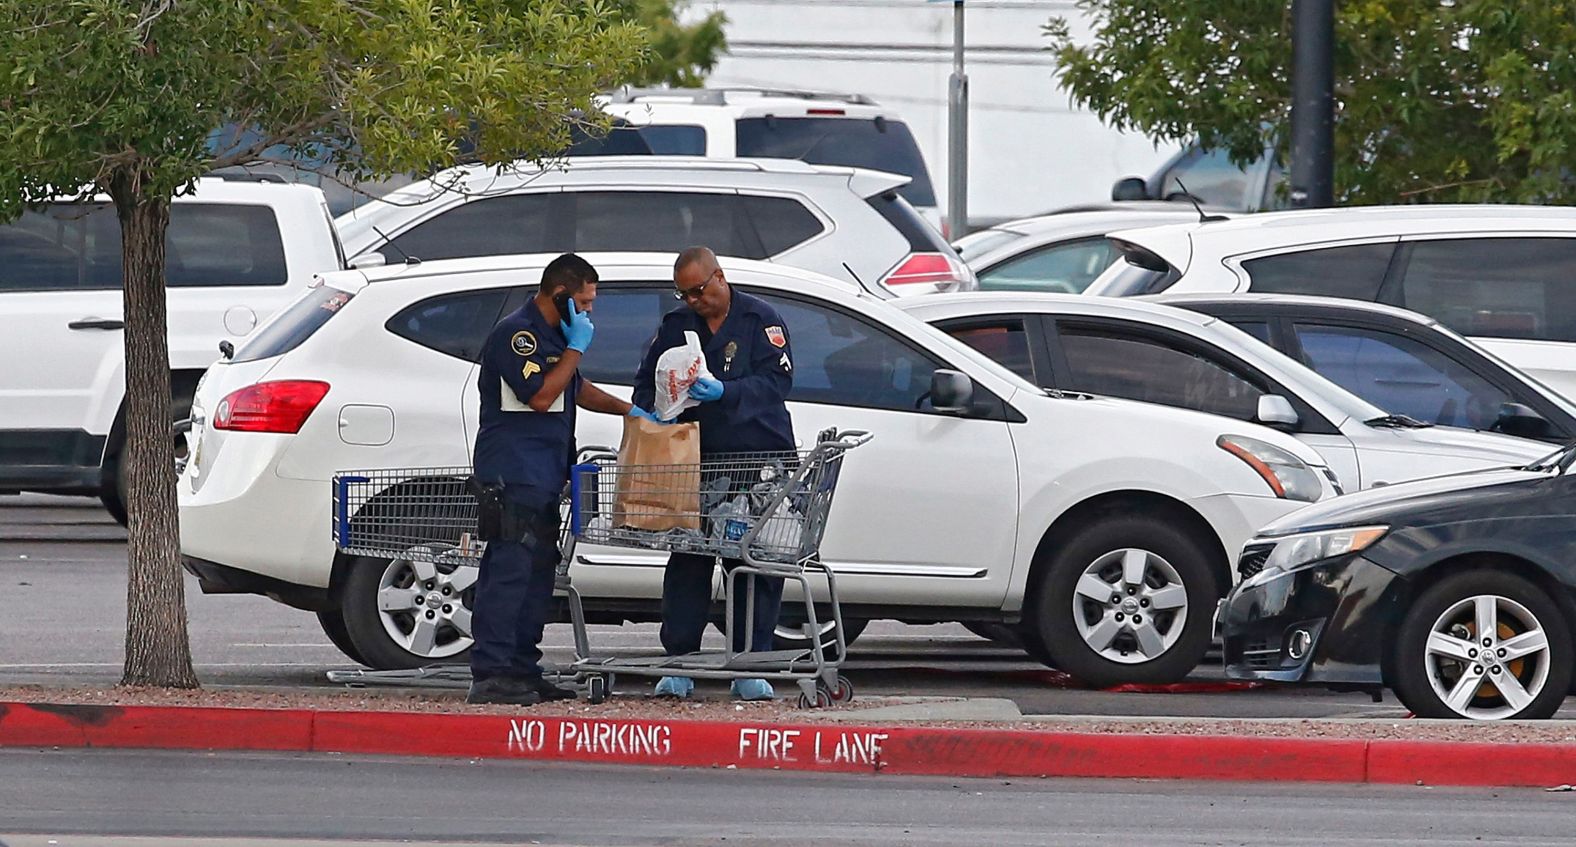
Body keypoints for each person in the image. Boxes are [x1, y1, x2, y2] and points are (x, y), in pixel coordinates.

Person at [468, 253, 662, 706]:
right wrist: (576, 348)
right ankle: (492, 673)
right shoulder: (517, 335)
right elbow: (540, 395)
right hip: (512, 473)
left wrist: (631, 411)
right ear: (561, 295)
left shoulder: (554, 335)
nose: (590, 311)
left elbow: (575, 387)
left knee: (538, 577)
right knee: (509, 574)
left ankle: (522, 668)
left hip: (544, 473)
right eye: (585, 302)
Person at [633, 246, 795, 701]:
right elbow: (645, 380)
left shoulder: (761, 321)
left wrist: (725, 391)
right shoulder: (676, 326)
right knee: (688, 560)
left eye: (699, 291)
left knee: (754, 563)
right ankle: (679, 661)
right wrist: (657, 407)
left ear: (720, 278)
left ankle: (750, 663)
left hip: (755, 459)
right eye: (684, 294)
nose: (692, 301)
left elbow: (776, 384)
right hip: (696, 464)